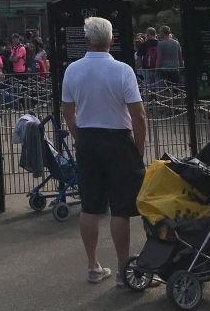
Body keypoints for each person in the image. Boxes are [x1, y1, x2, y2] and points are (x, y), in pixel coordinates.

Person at [61, 17, 147, 286]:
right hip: (118, 140)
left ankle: (92, 265)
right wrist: (138, 149)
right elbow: (138, 115)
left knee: (90, 205)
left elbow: (67, 110)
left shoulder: (72, 70)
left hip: (88, 138)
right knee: (121, 208)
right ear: (112, 40)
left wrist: (79, 136)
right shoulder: (123, 70)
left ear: (86, 40)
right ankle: (124, 270)